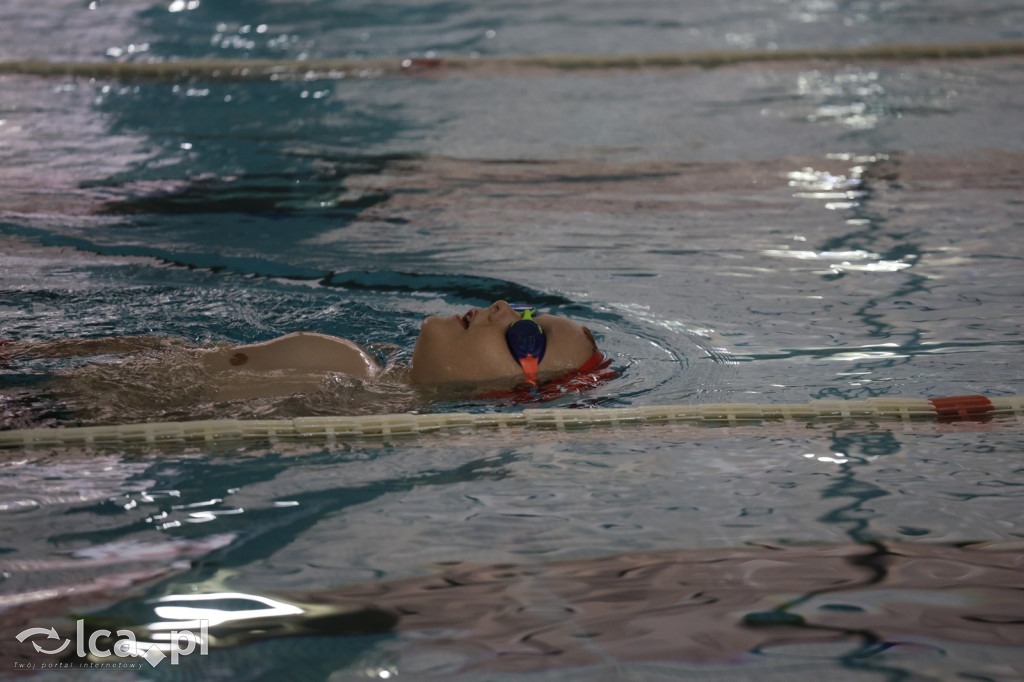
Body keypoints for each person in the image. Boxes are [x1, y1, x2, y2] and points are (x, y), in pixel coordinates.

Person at [2, 301, 613, 404]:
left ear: (511, 393)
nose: (506, 310)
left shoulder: (349, 395)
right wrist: (32, 349)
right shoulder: (358, 363)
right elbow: (175, 352)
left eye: (526, 336)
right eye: (526, 312)